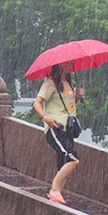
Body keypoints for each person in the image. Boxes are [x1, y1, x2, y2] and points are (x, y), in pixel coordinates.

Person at [33, 63, 83, 204]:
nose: (69, 65)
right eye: (66, 63)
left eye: (70, 62)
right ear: (58, 65)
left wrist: (77, 97)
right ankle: (54, 190)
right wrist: (45, 118)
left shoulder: (68, 84)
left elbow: (68, 107)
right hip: (56, 126)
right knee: (73, 159)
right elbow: (37, 103)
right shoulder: (50, 83)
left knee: (64, 164)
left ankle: (57, 195)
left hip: (69, 128)